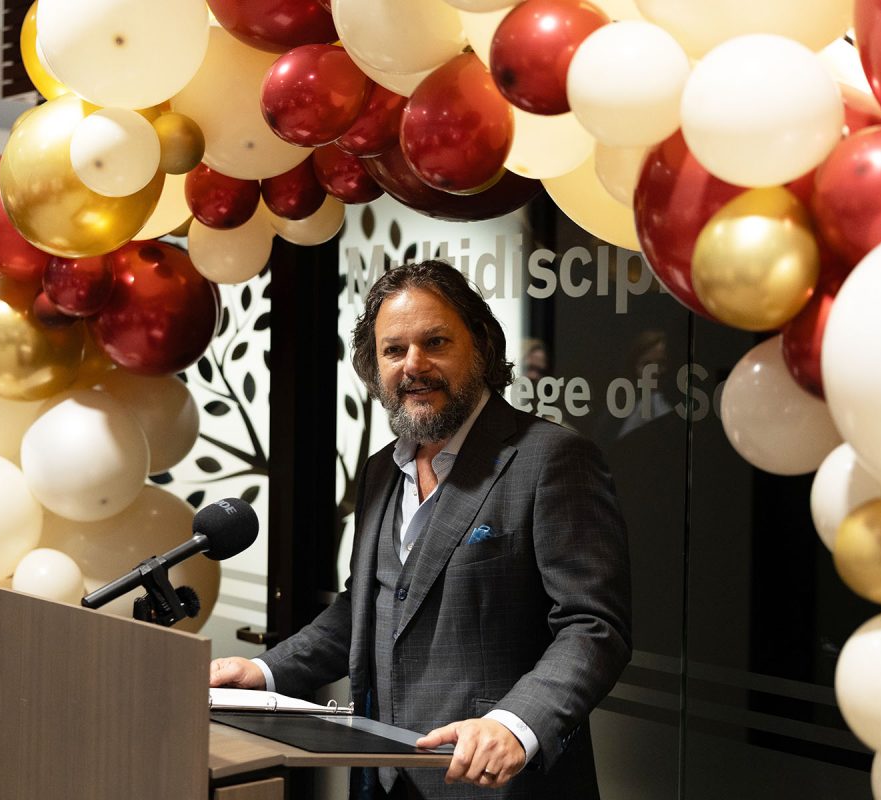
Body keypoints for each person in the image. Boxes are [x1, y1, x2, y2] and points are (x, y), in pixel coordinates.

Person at [211, 261, 631, 799]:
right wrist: (263, 672)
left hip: (497, 784)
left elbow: (593, 627)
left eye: (435, 342)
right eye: (394, 350)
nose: (414, 365)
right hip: (384, 775)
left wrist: (517, 723)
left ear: (480, 346)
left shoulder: (552, 458)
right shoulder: (381, 470)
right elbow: (365, 607)